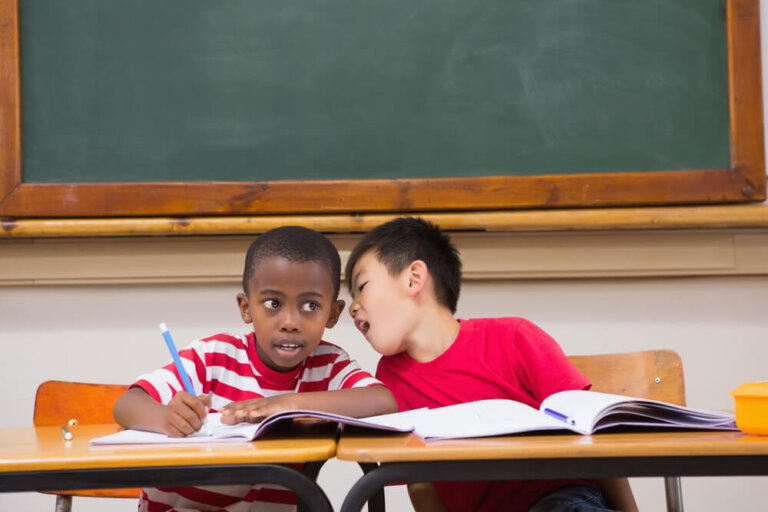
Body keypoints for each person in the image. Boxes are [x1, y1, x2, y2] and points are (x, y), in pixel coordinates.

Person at [345, 217, 638, 512]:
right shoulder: (389, 381)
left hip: (564, 500)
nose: (353, 307)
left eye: (361, 286)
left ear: (414, 278)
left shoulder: (515, 337)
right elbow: (418, 481)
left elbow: (596, 436)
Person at [114, 225, 398, 512]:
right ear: (246, 308)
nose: (290, 322)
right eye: (273, 303)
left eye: (310, 306)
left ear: (333, 314)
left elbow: (383, 401)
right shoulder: (214, 356)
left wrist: (287, 405)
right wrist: (166, 419)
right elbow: (127, 404)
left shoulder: (328, 365)